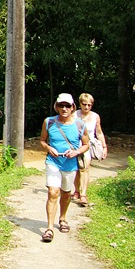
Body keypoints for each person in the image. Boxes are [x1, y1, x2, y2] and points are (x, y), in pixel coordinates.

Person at [38, 93, 90, 242]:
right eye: (61, 105)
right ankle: (49, 228)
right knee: (53, 192)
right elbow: (42, 140)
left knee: (66, 193)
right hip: (53, 162)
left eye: (67, 106)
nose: (64, 108)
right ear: (56, 107)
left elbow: (86, 144)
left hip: (70, 164)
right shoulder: (49, 122)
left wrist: (76, 152)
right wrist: (49, 148)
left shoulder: (80, 125)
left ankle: (62, 218)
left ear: (73, 107)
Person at [72, 93, 106, 207]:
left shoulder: (95, 116)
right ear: (80, 104)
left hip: (87, 145)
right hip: (75, 145)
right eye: (84, 104)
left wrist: (104, 146)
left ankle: (83, 194)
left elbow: (99, 132)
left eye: (89, 105)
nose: (86, 107)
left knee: (84, 169)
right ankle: (76, 190)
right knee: (76, 169)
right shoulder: (74, 115)